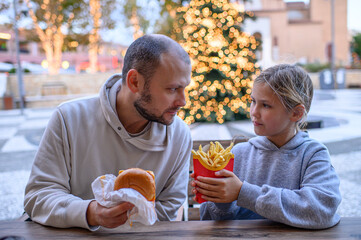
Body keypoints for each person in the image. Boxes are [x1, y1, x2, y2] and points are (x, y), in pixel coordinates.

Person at [24, 34, 193, 230]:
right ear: (135, 81)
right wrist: (91, 212)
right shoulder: (68, 118)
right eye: (172, 89)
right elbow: (38, 196)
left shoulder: (179, 134)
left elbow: (169, 210)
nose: (183, 101)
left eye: (184, 88)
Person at [191, 64, 341, 229]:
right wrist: (219, 199)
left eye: (266, 105)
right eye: (253, 101)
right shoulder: (237, 154)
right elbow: (209, 220)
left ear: (296, 113)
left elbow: (321, 210)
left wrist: (243, 193)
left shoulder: (313, 154)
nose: (254, 112)